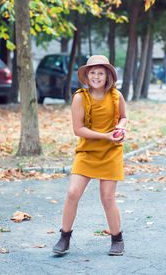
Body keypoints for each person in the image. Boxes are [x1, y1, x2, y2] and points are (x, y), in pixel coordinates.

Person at [53, 55, 127, 256]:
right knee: (72, 193)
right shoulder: (79, 97)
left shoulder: (116, 96)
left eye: (100, 73)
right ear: (86, 75)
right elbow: (78, 129)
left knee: (107, 198)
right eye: (92, 72)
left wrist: (121, 129)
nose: (96, 76)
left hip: (111, 152)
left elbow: (123, 117)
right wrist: (106, 136)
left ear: (107, 75)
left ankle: (117, 238)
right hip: (87, 151)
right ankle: (65, 236)